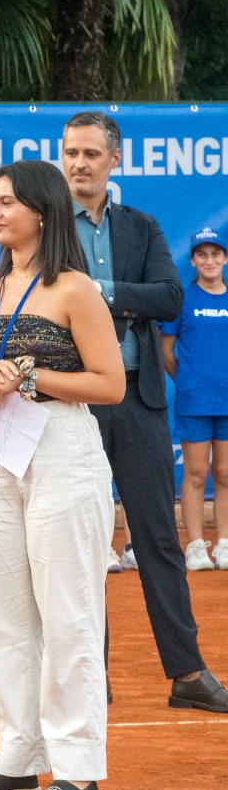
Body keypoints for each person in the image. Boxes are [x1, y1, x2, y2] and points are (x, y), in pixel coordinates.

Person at [0, 159, 125, 790]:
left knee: (68, 611)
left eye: (7, 202)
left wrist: (28, 375)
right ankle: (20, 756)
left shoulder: (76, 289)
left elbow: (110, 384)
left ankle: (77, 765)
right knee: (1, 613)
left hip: (62, 449)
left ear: (42, 211)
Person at [60, 111, 228, 713]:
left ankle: (186, 673)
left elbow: (170, 296)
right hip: (71, 403)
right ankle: (89, 678)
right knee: (81, 545)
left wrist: (99, 293)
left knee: (158, 537)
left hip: (138, 399)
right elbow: (42, 300)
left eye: (90, 154)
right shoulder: (48, 228)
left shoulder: (143, 225)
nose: (79, 164)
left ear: (114, 161)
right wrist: (122, 303)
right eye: (71, 153)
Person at [160, 227, 228, 571]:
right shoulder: (183, 300)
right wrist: (187, 381)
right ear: (192, 260)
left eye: (216, 254)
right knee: (197, 473)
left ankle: (225, 544)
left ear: (225, 258)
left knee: (226, 473)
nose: (209, 260)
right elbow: (167, 351)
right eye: (202, 254)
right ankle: (197, 545)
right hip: (194, 401)